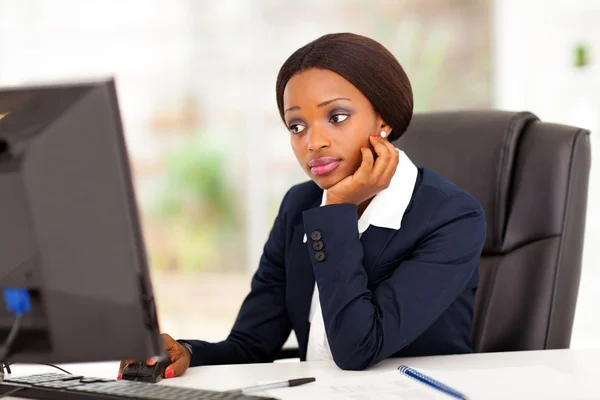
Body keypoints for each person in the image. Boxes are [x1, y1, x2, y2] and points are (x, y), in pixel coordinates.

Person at [118, 32, 486, 378]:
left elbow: (358, 348)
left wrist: (336, 211)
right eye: (296, 126)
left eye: (336, 117)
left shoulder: (452, 217)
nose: (313, 142)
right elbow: (252, 343)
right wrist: (189, 352)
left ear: (383, 119)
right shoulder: (299, 205)